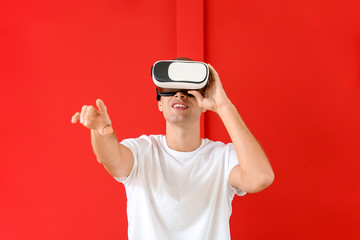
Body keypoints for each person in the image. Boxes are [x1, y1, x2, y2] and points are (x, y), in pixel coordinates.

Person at [71, 59, 274, 240]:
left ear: (203, 104)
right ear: (159, 103)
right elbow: (111, 159)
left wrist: (223, 105)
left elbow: (260, 177)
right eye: (170, 89)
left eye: (188, 90)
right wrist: (100, 132)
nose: (179, 94)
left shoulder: (223, 158)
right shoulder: (142, 151)